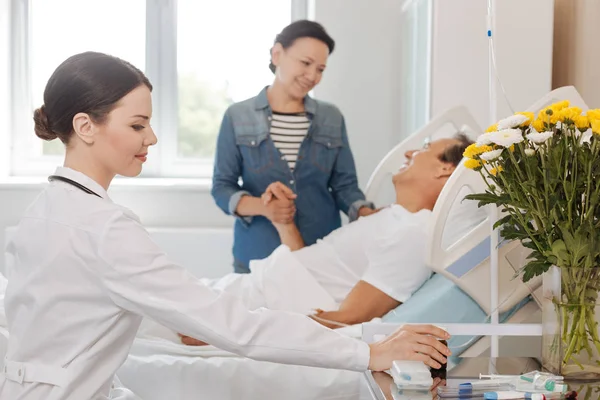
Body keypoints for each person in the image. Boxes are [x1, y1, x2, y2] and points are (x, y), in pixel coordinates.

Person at [0, 52, 450, 400]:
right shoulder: (101, 228)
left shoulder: (42, 212)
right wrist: (370, 352)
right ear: (85, 126)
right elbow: (235, 328)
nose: (152, 138)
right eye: (138, 125)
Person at [180, 134, 473, 345]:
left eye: (424, 148)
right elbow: (311, 269)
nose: (410, 153)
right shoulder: (390, 218)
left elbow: (346, 319)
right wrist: (282, 220)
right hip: (250, 292)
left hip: (256, 307)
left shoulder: (414, 233)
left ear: (445, 168)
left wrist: (227, 336)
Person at [211, 20, 376, 274]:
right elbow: (222, 188)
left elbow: (345, 186)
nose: (312, 76)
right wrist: (265, 208)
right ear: (277, 54)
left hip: (322, 255)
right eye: (305, 63)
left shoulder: (331, 117)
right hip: (258, 257)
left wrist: (366, 213)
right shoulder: (237, 116)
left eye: (320, 69)